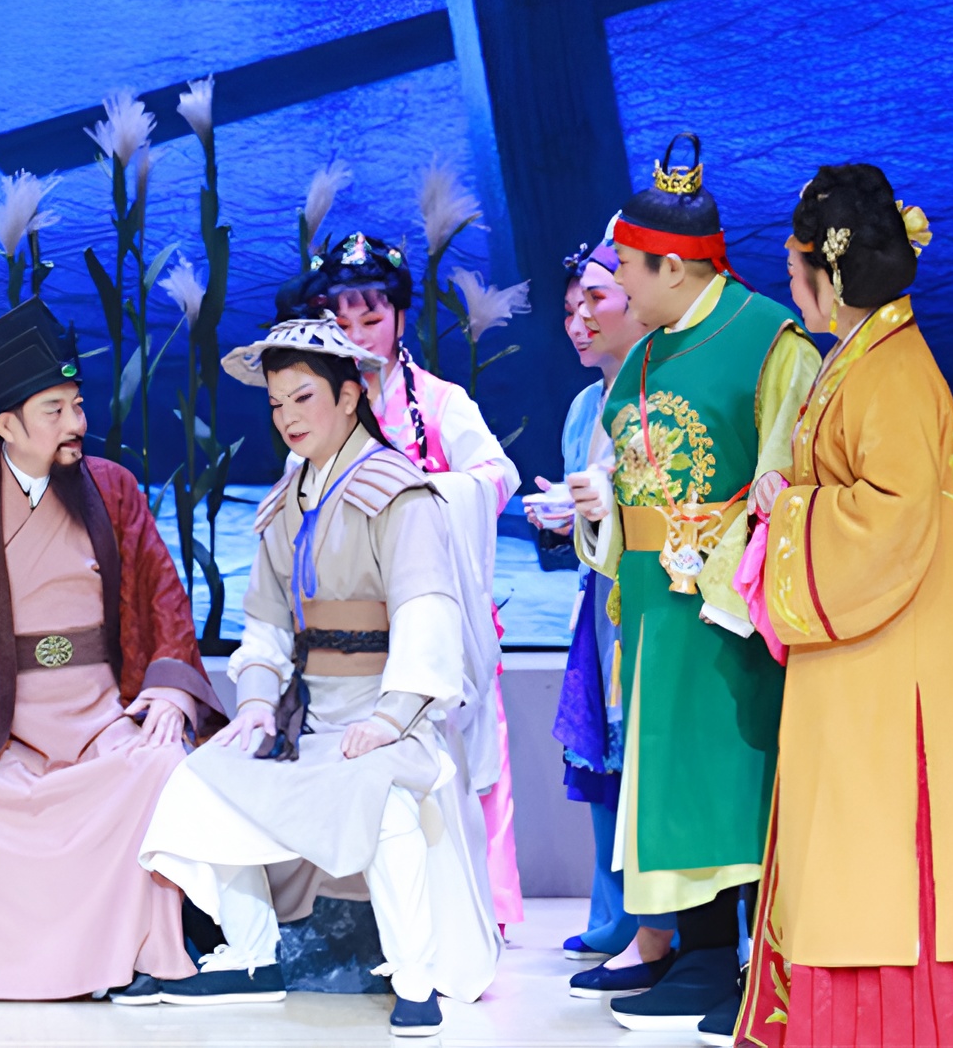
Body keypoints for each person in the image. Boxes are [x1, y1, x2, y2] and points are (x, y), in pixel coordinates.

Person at [138, 317, 502, 1039]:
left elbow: (426, 615)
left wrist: (390, 717)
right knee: (202, 779)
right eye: (277, 404)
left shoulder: (399, 494)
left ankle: (416, 977)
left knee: (385, 799)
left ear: (349, 396)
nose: (288, 417)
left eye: (303, 398)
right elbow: (267, 624)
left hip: (392, 717)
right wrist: (255, 705)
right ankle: (253, 952)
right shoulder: (286, 500)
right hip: (308, 721)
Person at [0, 299, 221, 1011]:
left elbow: (162, 596)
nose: (76, 423)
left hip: (101, 718)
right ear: (5, 426)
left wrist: (171, 690)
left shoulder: (113, 489)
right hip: (2, 726)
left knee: (160, 769)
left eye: (77, 405)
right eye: (55, 411)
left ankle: (135, 955)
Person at [732, 167, 953, 1047]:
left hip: (899, 676)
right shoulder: (871, 356)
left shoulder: (889, 372)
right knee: (863, 865)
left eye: (795, 268)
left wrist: (790, 510)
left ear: (829, 275)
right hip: (884, 655)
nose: (791, 286)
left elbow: (890, 519)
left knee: (886, 877)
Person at [567, 133, 820, 1038]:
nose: (618, 287)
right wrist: (599, 511)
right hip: (650, 603)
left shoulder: (768, 341)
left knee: (732, 776)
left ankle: (752, 966)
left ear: (672, 266)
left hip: (727, 611)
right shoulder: (642, 357)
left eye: (628, 270)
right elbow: (630, 482)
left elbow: (794, 478)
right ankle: (704, 955)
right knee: (667, 777)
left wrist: (727, 549)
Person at [279, 232, 524, 931]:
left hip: (429, 614)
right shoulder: (317, 405)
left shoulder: (439, 401)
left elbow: (497, 474)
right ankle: (367, 911)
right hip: (351, 631)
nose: (357, 334)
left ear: (399, 317)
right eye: (341, 320)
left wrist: (418, 498)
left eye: (371, 318)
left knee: (460, 763)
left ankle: (480, 912)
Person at [537, 231, 679, 997]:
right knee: (601, 752)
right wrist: (566, 519)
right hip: (599, 595)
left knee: (644, 749)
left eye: (594, 299)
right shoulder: (582, 408)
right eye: (570, 308)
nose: (579, 320)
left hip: (653, 590)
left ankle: (662, 920)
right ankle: (614, 911)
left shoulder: (663, 395)